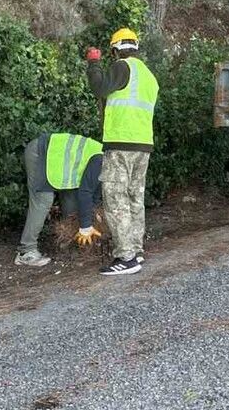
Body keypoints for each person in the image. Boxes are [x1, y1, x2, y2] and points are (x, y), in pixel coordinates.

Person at [86, 28, 158, 277]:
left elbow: (99, 89)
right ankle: (136, 251)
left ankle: (125, 258)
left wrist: (93, 64)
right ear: (136, 47)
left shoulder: (122, 67)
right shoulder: (149, 75)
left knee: (116, 200)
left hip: (121, 144)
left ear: (115, 49)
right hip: (142, 146)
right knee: (135, 199)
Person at [15, 132, 105, 267]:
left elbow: (94, 195)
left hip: (57, 165)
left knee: (71, 202)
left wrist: (94, 216)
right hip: (40, 153)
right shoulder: (101, 160)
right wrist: (86, 226)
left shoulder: (106, 161)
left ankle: (67, 242)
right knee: (43, 200)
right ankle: (26, 252)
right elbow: (85, 192)